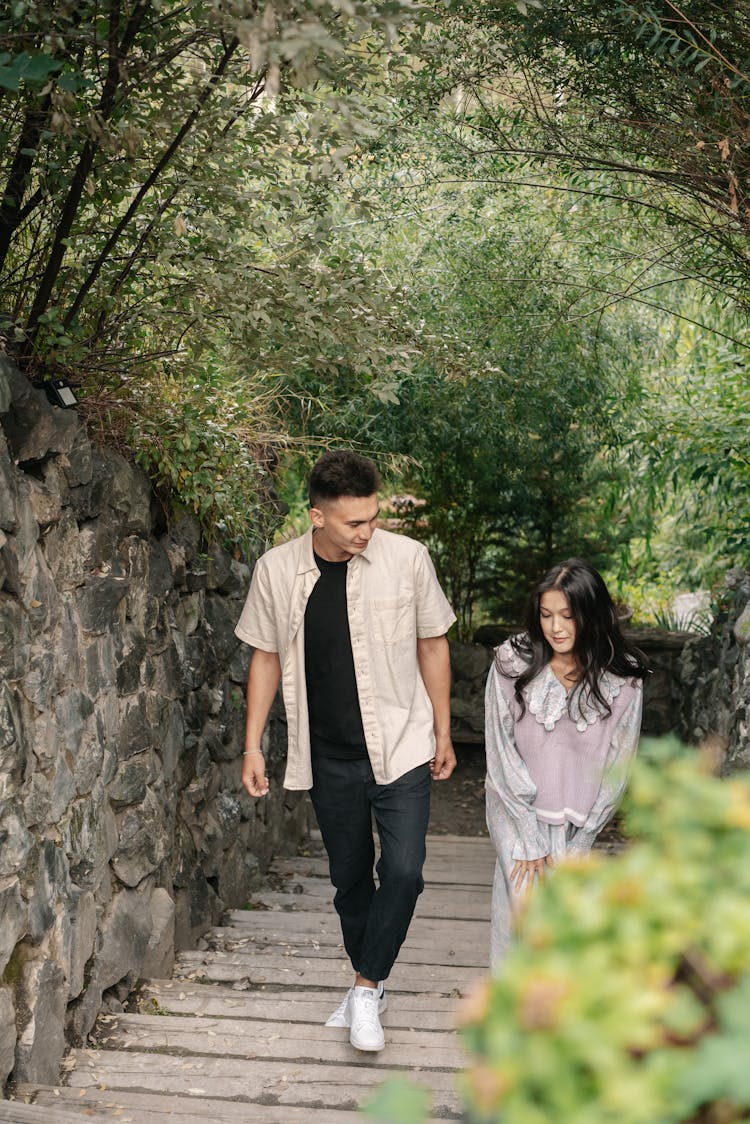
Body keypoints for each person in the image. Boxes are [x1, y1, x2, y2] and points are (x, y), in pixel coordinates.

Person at [234, 449, 457, 1051]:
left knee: (405, 873)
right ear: (316, 516)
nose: (368, 532)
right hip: (327, 753)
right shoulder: (277, 572)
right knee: (350, 880)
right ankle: (370, 987)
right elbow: (265, 655)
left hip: (402, 745)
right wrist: (253, 745)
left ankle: (364, 985)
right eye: (354, 523)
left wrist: (441, 730)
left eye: (373, 518)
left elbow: (432, 644)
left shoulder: (407, 559)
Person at [484, 558, 648, 967]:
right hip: (516, 814)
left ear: (591, 616)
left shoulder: (623, 681)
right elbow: (500, 752)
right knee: (523, 920)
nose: (555, 627)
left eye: (568, 616)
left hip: (577, 825)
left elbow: (618, 764)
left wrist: (587, 836)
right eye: (546, 615)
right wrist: (528, 836)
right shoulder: (512, 664)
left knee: (566, 936)